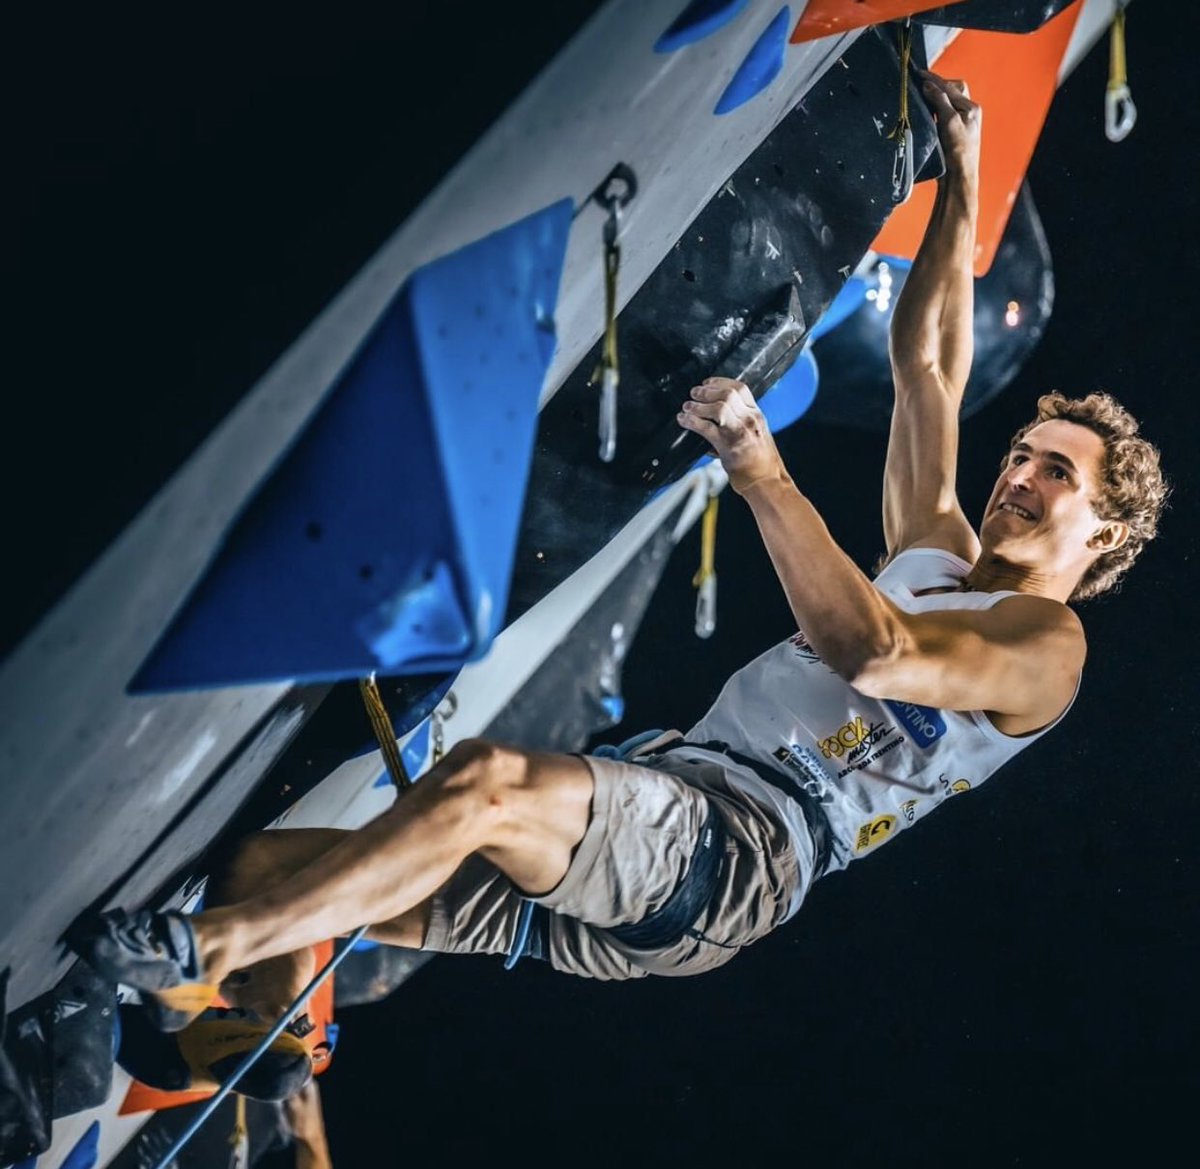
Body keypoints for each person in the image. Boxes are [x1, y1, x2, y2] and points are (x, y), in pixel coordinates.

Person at [68, 72, 1167, 1072]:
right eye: (1020, 452)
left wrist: (762, 472)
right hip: (669, 818)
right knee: (273, 865)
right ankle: (238, 1042)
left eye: (1055, 471)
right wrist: (964, 178)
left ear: (1108, 531)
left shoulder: (1046, 649)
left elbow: (872, 652)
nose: (1017, 473)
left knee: (487, 784)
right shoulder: (941, 556)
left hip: (735, 850)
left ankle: (187, 953)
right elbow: (927, 363)